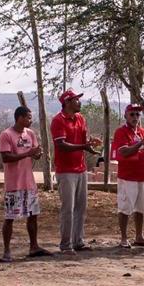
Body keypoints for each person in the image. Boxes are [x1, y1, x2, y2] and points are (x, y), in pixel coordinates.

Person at [51, 90, 101, 253]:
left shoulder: (81, 118)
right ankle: (65, 244)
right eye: (76, 100)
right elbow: (61, 144)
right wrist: (83, 147)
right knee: (68, 208)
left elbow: (84, 141)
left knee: (81, 206)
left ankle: (78, 241)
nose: (79, 102)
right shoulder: (58, 121)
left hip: (80, 168)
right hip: (66, 170)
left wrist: (91, 145)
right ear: (67, 102)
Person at [0, 106, 51, 262]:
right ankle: (7, 251)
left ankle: (34, 246)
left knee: (33, 215)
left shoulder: (30, 134)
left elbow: (34, 152)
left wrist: (36, 154)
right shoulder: (6, 135)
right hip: (14, 183)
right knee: (10, 217)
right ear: (19, 118)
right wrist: (27, 153)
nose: (30, 120)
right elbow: (6, 157)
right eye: (28, 117)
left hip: (29, 182)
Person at [112, 104, 144, 248]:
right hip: (127, 176)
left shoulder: (143, 131)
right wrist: (140, 143)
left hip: (141, 175)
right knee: (125, 207)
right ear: (126, 115)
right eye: (132, 114)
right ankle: (124, 238)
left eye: (137, 114)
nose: (135, 117)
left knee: (141, 207)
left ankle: (139, 236)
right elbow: (124, 152)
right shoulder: (121, 132)